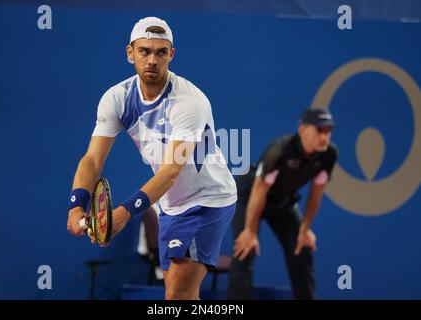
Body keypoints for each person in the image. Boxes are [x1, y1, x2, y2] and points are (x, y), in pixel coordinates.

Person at [66, 17, 237, 300]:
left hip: (208, 199)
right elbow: (92, 160)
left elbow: (171, 172)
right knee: (176, 292)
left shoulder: (189, 102)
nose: (152, 60)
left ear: (171, 54)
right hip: (169, 205)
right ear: (130, 53)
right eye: (144, 51)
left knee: (179, 293)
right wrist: (77, 203)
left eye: (160, 52)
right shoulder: (117, 98)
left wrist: (124, 212)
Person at [227, 108, 338, 300]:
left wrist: (305, 229)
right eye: (319, 130)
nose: (324, 136)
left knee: (302, 247)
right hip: (249, 195)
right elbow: (259, 190)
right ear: (302, 129)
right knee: (245, 250)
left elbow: (316, 192)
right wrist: (250, 232)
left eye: (328, 131)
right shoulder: (281, 150)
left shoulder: (328, 155)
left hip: (282, 202)